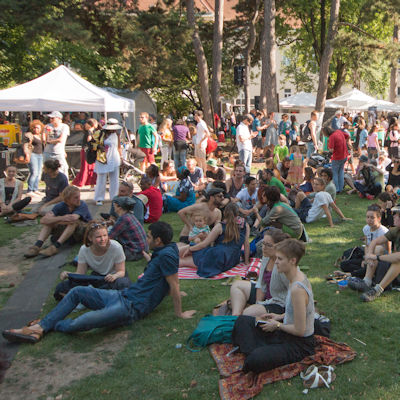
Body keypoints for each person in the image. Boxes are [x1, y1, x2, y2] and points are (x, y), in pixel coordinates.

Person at [3, 222, 196, 344]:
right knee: (78, 291)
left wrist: (179, 313)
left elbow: (174, 284)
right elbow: (167, 282)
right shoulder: (165, 251)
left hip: (130, 309)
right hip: (122, 296)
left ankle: (48, 325)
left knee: (79, 324)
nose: (146, 238)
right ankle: (41, 327)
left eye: (149, 236)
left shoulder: (167, 257)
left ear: (159, 240)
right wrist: (171, 291)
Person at [232, 239, 315, 374]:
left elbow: (300, 331)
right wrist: (279, 316)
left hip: (299, 344)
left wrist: (277, 325)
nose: (275, 262)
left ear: (292, 261)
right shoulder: (293, 278)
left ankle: (256, 352)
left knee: (254, 360)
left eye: (280, 259)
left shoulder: (297, 289)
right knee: (242, 321)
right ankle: (260, 349)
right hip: (286, 332)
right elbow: (297, 311)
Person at [54, 220, 132, 300]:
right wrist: (69, 274)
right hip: (97, 278)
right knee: (61, 287)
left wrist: (114, 276)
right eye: (99, 237)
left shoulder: (116, 247)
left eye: (105, 235)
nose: (103, 239)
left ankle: (88, 296)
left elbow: (121, 272)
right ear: (90, 238)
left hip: (115, 278)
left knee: (124, 284)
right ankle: (91, 295)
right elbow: (80, 274)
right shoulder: (84, 250)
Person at [179, 202, 250, 278]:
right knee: (191, 250)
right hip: (232, 259)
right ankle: (171, 254)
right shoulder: (245, 225)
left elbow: (205, 244)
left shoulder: (220, 226)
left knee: (184, 257)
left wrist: (190, 249)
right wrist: (246, 262)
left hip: (216, 257)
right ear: (237, 213)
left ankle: (168, 256)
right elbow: (246, 245)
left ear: (224, 213)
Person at [229, 229, 291, 316]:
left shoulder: (284, 265)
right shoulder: (266, 257)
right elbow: (261, 284)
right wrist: (258, 303)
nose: (264, 248)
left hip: (279, 303)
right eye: (263, 243)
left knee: (248, 313)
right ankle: (235, 315)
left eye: (268, 245)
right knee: (237, 285)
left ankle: (244, 314)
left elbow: (293, 290)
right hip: (266, 295)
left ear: (279, 247)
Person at [349, 205, 400, 302]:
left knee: (398, 262)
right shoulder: (395, 230)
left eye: (397, 214)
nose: (393, 216)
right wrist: (368, 257)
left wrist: (376, 257)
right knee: (377, 248)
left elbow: (398, 256)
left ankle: (377, 290)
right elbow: (374, 242)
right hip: (391, 263)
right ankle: (366, 282)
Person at [24, 185, 92, 258]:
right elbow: (43, 220)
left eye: (79, 196)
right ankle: (37, 246)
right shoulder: (60, 206)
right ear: (68, 199)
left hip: (82, 233)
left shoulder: (82, 205)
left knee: (73, 222)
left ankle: (55, 247)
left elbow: (73, 218)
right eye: (75, 197)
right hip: (67, 232)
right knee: (49, 223)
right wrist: (61, 218)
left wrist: (56, 219)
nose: (78, 199)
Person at [108, 196, 148, 261]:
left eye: (115, 205)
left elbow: (110, 237)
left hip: (134, 253)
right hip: (142, 250)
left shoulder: (123, 219)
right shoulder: (129, 215)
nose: (113, 207)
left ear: (119, 207)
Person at [93, 118, 122, 206]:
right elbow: (93, 144)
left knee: (115, 179)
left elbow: (119, 147)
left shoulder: (116, 135)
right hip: (102, 158)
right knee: (101, 179)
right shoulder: (100, 133)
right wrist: (99, 147)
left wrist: (121, 157)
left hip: (114, 158)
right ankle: (99, 198)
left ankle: (114, 197)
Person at [72, 118, 98, 188]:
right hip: (87, 151)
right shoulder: (90, 131)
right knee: (86, 167)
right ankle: (81, 182)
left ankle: (91, 184)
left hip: (88, 151)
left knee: (90, 167)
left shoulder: (91, 131)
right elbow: (89, 139)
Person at [43, 111, 70, 177]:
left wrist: (49, 141)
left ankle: (64, 185)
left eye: (53, 118)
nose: (51, 120)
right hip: (48, 152)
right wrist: (47, 140)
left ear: (59, 118)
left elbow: (61, 139)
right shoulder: (47, 126)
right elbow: (44, 139)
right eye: (50, 118)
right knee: (47, 170)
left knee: (62, 169)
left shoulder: (64, 126)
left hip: (59, 152)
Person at [325, 126, 350, 193]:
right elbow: (347, 136)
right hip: (344, 155)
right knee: (341, 172)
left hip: (337, 157)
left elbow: (331, 150)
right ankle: (340, 188)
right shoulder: (338, 131)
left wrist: (328, 150)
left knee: (335, 173)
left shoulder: (332, 137)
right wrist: (345, 143)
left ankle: (336, 189)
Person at [24, 119, 45, 195]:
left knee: (39, 173)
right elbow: (26, 145)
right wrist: (27, 154)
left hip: (40, 154)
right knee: (34, 172)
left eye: (38, 128)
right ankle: (30, 190)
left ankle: (35, 188)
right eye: (35, 127)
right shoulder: (30, 135)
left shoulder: (40, 136)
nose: (36, 129)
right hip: (33, 154)